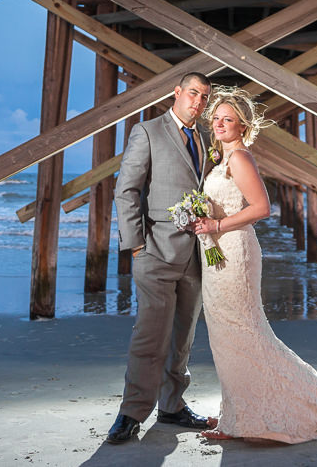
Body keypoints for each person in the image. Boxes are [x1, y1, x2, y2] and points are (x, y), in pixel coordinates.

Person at [191, 86, 317, 443]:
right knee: (226, 336)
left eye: (228, 119)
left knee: (242, 332)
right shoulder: (221, 158)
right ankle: (237, 412)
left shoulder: (240, 159)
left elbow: (261, 209)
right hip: (216, 252)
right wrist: (201, 217)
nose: (220, 124)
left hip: (234, 253)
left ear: (242, 125)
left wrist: (215, 225)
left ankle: (253, 417)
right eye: (216, 118)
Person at [106, 72, 218, 445]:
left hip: (197, 256)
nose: (198, 103)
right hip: (155, 251)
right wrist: (137, 246)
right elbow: (126, 190)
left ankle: (172, 405)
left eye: (204, 97)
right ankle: (131, 412)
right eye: (192, 94)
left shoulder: (205, 137)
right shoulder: (148, 132)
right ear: (176, 93)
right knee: (150, 336)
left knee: (183, 338)